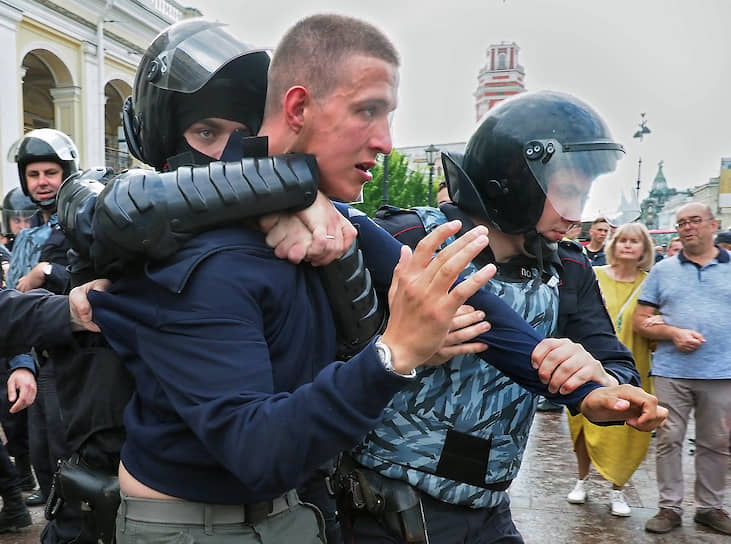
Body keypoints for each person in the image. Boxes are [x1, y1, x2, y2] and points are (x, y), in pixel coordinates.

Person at [75, 19, 668, 544]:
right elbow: (256, 448)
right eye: (366, 111)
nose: (384, 141)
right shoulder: (200, 256)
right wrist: (398, 352)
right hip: (206, 517)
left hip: (302, 508)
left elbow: (482, 310)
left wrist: (583, 389)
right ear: (300, 109)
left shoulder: (338, 224)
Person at [342, 90, 666, 543]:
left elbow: (613, 361)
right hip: (382, 508)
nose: (577, 214)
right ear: (514, 181)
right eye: (569, 191)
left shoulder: (568, 268)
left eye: (585, 194)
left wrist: (605, 386)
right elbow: (321, 345)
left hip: (488, 507)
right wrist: (403, 345)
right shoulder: (412, 237)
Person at [633, 202, 731, 536]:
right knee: (669, 439)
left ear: (713, 224)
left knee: (717, 443)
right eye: (681, 223)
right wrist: (673, 333)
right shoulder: (663, 270)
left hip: (722, 373)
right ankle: (669, 507)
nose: (688, 227)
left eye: (695, 221)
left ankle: (710, 507)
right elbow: (641, 320)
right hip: (672, 372)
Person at [566, 222, 655, 517]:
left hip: (632, 362)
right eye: (623, 240)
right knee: (582, 424)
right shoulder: (593, 275)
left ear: (644, 248)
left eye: (635, 241)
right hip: (589, 362)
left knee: (626, 427)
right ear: (613, 244)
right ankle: (581, 479)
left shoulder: (650, 282)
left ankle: (618, 487)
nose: (628, 245)